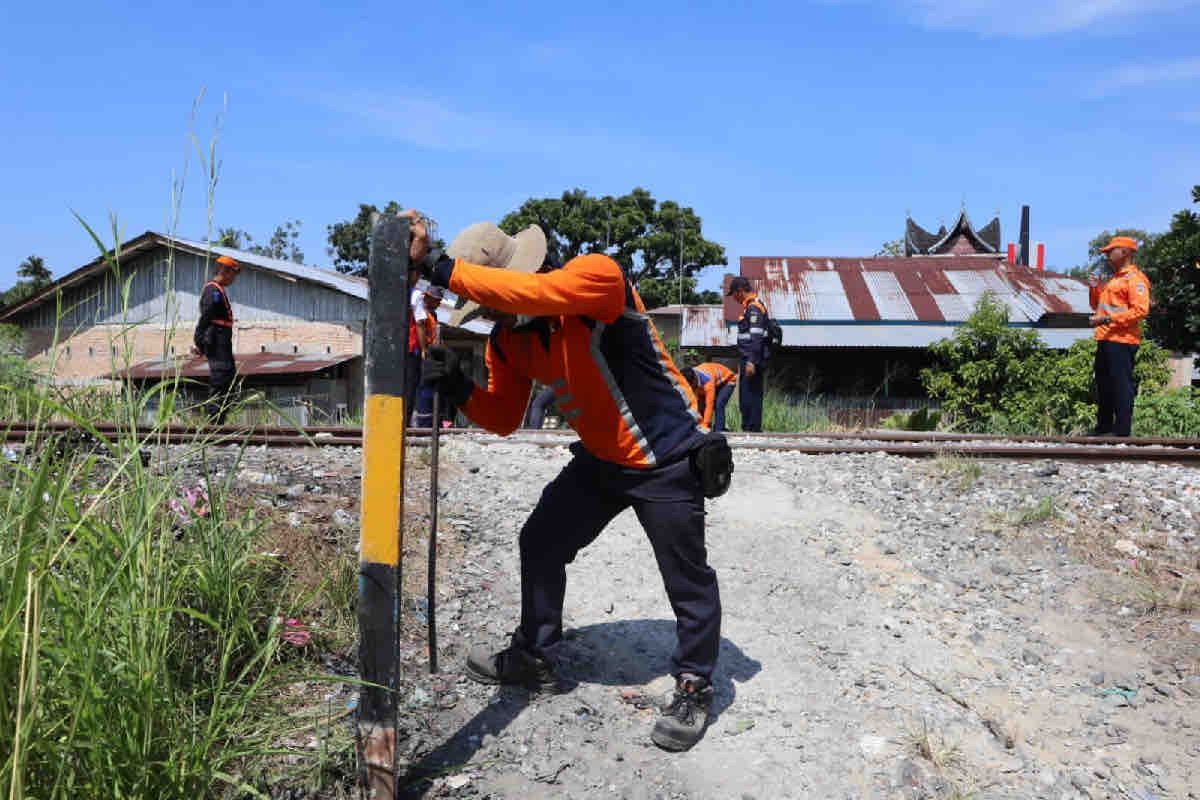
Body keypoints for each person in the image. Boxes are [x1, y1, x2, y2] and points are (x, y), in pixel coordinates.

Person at [412, 213, 727, 752]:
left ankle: (695, 684)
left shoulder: (595, 278)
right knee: (540, 541)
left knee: (686, 578)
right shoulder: (509, 339)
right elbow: (506, 417)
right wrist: (460, 389)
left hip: (668, 459)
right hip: (602, 461)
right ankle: (535, 657)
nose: (488, 313)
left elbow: (544, 291)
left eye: (490, 300)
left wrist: (439, 268)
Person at [1088, 235, 1151, 437]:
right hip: (1106, 338)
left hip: (1122, 340)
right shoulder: (1115, 279)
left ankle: (1122, 431)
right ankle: (1104, 428)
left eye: (1110, 250)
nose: (1106, 254)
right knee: (1104, 384)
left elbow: (1140, 310)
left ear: (1124, 252)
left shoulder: (1135, 280)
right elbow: (1098, 307)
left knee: (1121, 384)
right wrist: (1094, 288)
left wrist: (1106, 321)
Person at [192, 255, 240, 423]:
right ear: (223, 271)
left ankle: (220, 419)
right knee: (220, 377)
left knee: (228, 377)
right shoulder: (212, 290)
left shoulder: (218, 290)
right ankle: (214, 421)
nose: (233, 279)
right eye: (233, 274)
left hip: (222, 340)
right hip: (217, 339)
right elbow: (207, 315)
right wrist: (199, 338)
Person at [727, 276, 769, 432]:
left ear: (740, 291)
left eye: (734, 294)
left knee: (749, 395)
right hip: (750, 357)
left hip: (752, 359)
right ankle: (750, 427)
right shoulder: (751, 307)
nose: (734, 298)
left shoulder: (754, 308)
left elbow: (756, 337)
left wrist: (751, 361)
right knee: (748, 394)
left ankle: (751, 429)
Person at [414, 287, 444, 429]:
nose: (439, 303)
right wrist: (424, 350)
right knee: (424, 386)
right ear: (428, 297)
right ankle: (424, 422)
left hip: (432, 353)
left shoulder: (434, 314)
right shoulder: (421, 313)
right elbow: (421, 330)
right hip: (424, 353)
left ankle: (434, 419)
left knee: (432, 387)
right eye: (437, 300)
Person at [683, 363, 737, 432]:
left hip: (727, 381)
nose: (691, 388)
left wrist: (705, 425)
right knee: (700, 405)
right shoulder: (688, 376)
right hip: (712, 382)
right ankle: (704, 428)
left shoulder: (707, 380)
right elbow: (694, 403)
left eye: (692, 386)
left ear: (695, 380)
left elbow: (709, 405)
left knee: (719, 404)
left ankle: (719, 430)